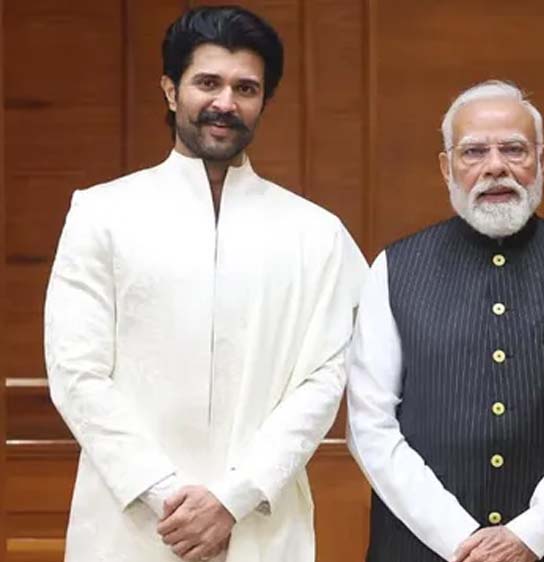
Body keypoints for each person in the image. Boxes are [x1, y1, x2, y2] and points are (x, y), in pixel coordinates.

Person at [44, 6, 367, 561]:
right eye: (208, 83)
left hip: (260, 526)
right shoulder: (101, 215)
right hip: (132, 527)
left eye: (246, 88)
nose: (226, 102)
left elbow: (324, 380)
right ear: (171, 91)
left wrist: (232, 500)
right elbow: (77, 374)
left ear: (264, 101)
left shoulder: (317, 234)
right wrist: (169, 498)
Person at [346, 80, 544, 562]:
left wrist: (531, 532)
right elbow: (370, 427)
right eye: (473, 152)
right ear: (446, 167)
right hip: (422, 549)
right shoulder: (393, 269)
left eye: (514, 149)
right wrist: (461, 541)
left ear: (543, 161)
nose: (495, 166)